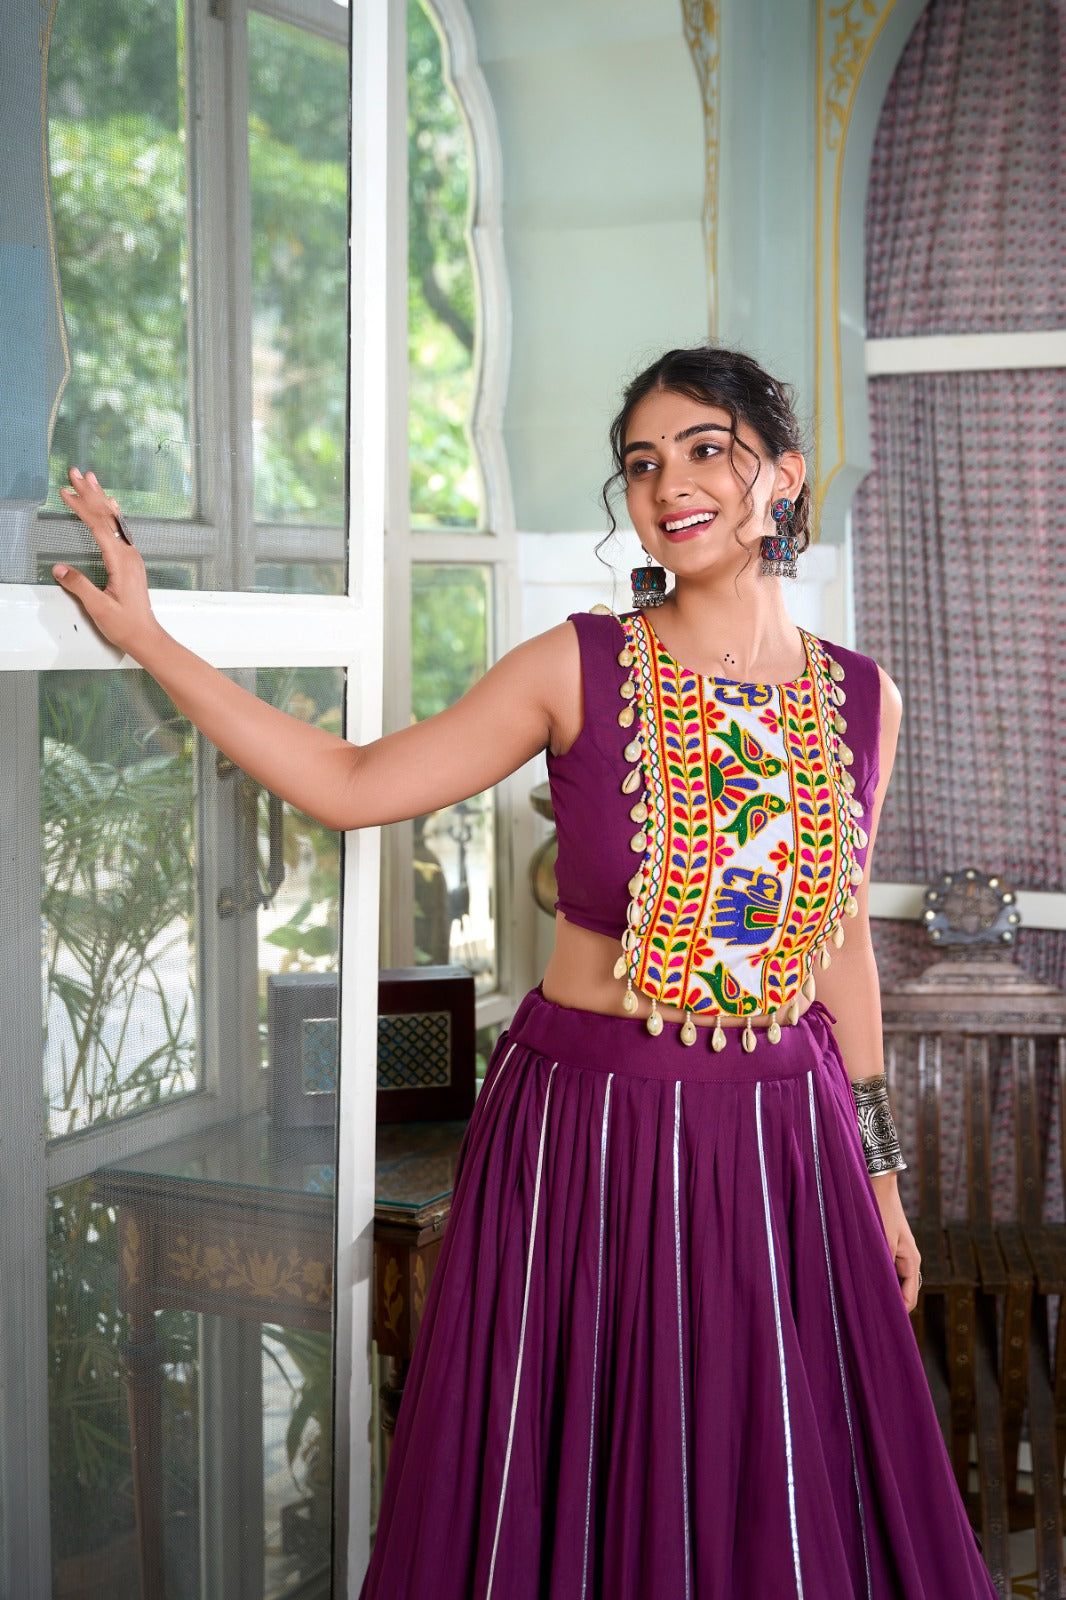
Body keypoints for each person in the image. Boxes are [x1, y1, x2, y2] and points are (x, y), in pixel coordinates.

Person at [55, 346, 998, 1599]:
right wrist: (153, 640)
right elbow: (351, 785)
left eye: (704, 449)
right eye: (641, 464)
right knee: (581, 1494)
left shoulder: (862, 698)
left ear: (782, 474)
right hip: (589, 1136)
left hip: (784, 1142)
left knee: (769, 1487)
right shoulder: (578, 664)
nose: (669, 485)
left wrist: (880, 1181)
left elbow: (840, 951)